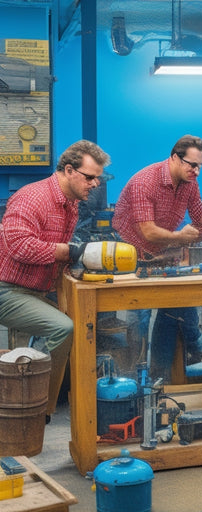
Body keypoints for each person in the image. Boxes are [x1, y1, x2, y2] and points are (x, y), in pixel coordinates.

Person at [112, 134, 202, 382]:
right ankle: (131, 384)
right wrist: (180, 237)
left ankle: (160, 380)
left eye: (201, 165)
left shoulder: (189, 182)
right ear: (174, 158)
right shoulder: (145, 182)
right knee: (138, 320)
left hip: (161, 254)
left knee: (171, 313)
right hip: (130, 256)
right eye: (192, 165)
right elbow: (147, 231)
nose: (197, 171)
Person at [0, 140, 111, 421]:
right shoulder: (32, 198)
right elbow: (20, 246)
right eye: (90, 177)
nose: (96, 183)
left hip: (40, 288)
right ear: (70, 170)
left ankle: (67, 394)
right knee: (62, 327)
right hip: (8, 289)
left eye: (99, 177)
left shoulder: (70, 204)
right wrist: (69, 251)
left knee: (89, 317)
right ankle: (38, 407)